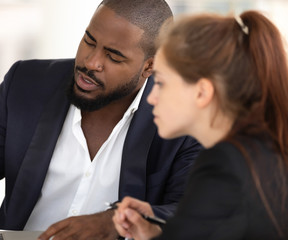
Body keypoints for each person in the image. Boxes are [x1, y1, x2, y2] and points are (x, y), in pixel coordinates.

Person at [0, 0, 202, 239]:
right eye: (89, 41)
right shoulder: (27, 84)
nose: (91, 61)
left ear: (150, 66)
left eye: (113, 56)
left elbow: (192, 215)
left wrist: (116, 222)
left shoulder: (184, 120)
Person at [113, 10, 288, 240]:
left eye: (162, 83)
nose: (151, 97)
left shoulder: (223, 164)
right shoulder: (261, 152)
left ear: (202, 92)